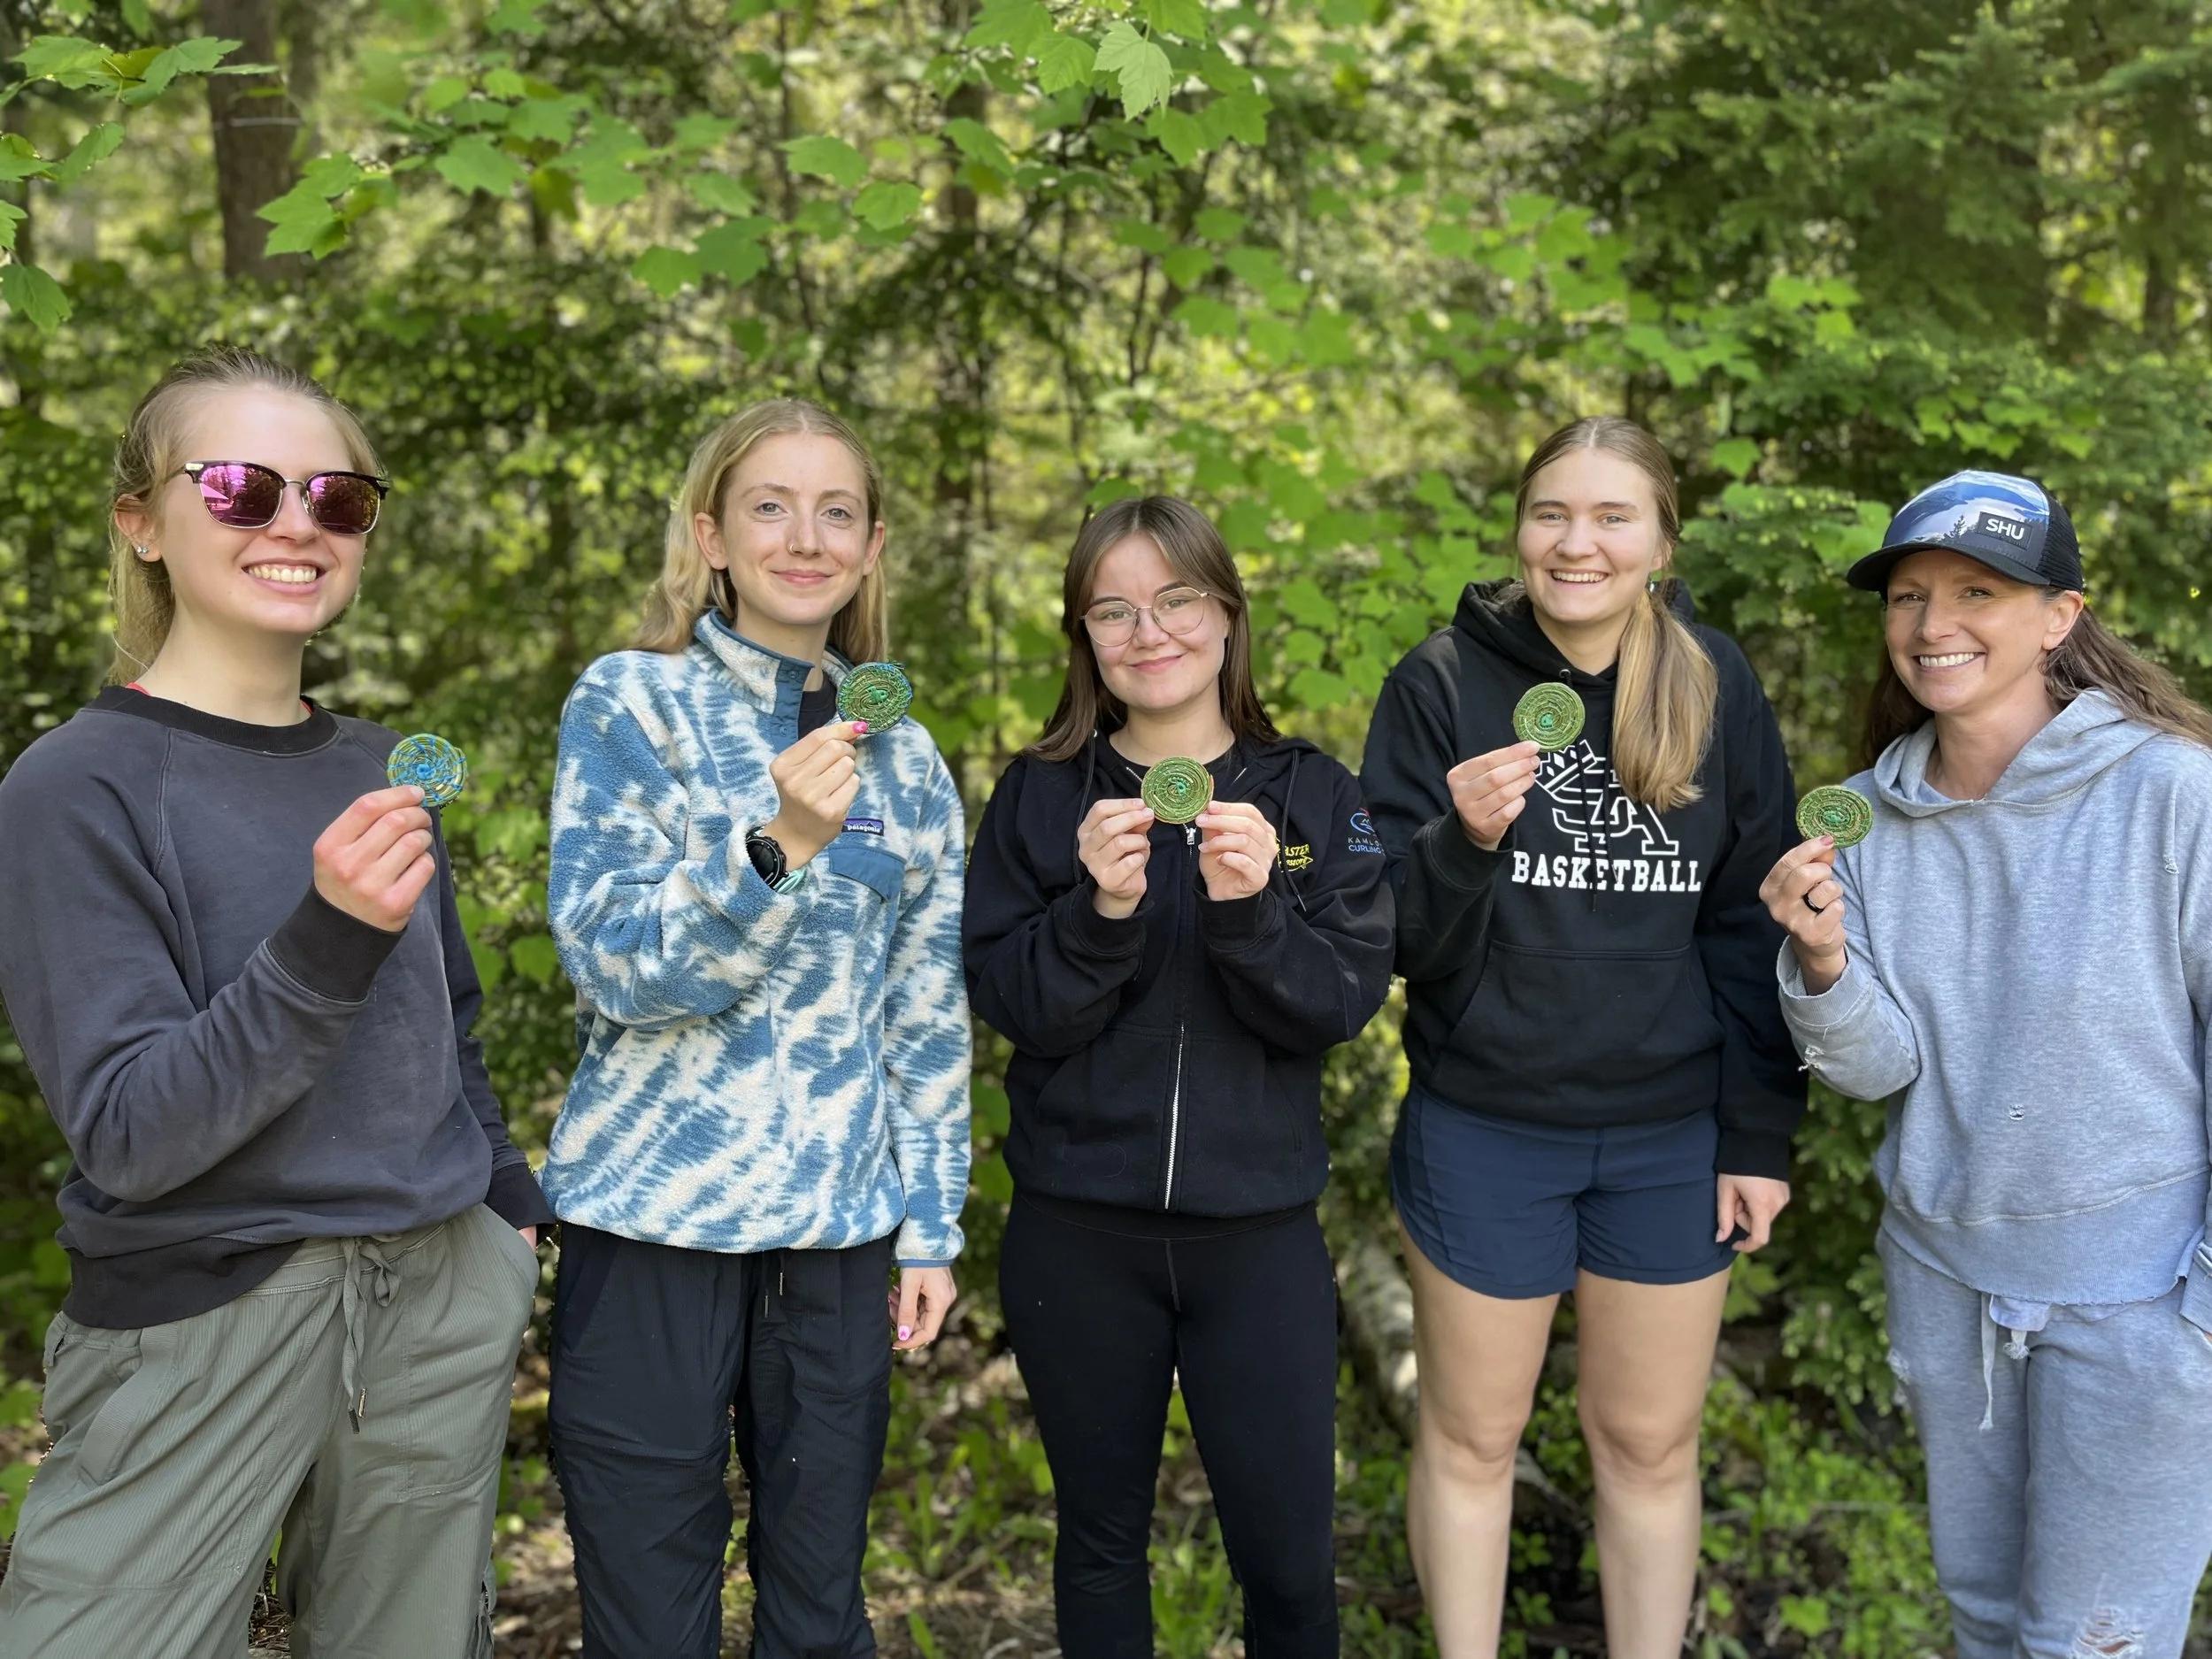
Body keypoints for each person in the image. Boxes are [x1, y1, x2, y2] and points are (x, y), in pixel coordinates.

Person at [0, 347, 552, 1659]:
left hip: (434, 1296)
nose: (295, 521)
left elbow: (448, 1022)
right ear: (141, 519)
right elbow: (131, 1129)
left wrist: (508, 1216)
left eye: (337, 497)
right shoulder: (73, 788)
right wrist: (326, 938)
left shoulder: (376, 764)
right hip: (203, 1316)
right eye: (242, 486)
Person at [1359, 417, 1805, 1657]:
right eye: (1554, 511)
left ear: (1661, 540)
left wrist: (1758, 1132)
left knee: (1650, 1441)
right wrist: (1462, 843)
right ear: (1519, 526)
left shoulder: (1713, 682)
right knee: (1470, 1436)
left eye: (1614, 516)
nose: (1579, 541)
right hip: (1486, 1127)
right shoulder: (1442, 681)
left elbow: (1746, 923)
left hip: (1671, 1136)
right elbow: (1385, 931)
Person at [542, 397, 971, 1659]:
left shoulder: (910, 761)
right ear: (711, 534)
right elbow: (614, 967)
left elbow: (925, 1006)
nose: (805, 534)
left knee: (818, 1613)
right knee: (648, 1614)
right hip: (652, 1230)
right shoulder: (632, 704)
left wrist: (930, 1221)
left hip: (837, 1242)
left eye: (837, 510)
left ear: (873, 546)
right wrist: (774, 848)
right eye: (770, 505)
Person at [1762, 471, 2212, 1659]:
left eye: (1977, 591)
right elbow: (1876, 1067)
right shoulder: (1864, 816)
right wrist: (1820, 958)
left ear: (2059, 616)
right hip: (1946, 1283)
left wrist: (2201, 1319)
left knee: (2093, 1641)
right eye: (1908, 595)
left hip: (2143, 1300)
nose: (1932, 624)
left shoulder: (2175, 793)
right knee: (1989, 1622)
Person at [964, 495, 1394, 1658]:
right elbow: (1012, 1005)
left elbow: (1342, 1004)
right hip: (1075, 1235)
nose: (1147, 630)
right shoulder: (1040, 794)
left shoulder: (1316, 795)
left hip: (1256, 1240)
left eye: (1176, 600)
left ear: (1226, 614)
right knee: (1100, 1541)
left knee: (1290, 1561)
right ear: (1084, 634)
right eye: (1114, 607)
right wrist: (1097, 913)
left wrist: (1257, 911)